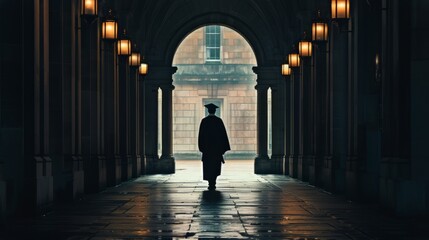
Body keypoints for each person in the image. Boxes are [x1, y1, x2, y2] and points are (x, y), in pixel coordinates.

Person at [198, 103, 231, 190]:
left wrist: (202, 148)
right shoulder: (218, 121)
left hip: (207, 149)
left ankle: (210, 183)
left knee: (208, 166)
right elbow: (223, 135)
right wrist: (223, 149)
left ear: (208, 111)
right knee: (215, 166)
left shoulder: (204, 121)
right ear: (215, 111)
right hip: (216, 150)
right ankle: (213, 182)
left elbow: (201, 135)